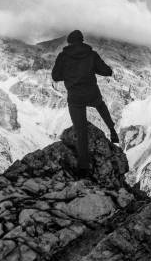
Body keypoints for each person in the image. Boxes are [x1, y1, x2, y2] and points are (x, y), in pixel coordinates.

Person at [51, 30, 119, 178]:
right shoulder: (91, 54)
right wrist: (91, 69)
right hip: (91, 92)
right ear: (82, 40)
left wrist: (70, 76)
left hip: (74, 97)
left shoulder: (63, 56)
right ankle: (112, 130)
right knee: (100, 105)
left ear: (69, 41)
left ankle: (83, 169)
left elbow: (55, 76)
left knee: (81, 132)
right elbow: (106, 71)